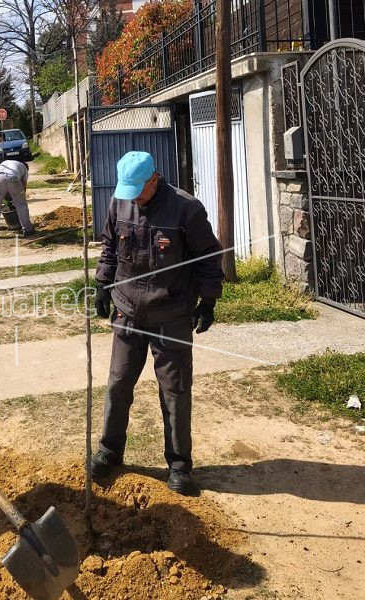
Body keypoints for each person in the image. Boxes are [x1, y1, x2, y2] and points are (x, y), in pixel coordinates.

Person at [92, 151, 224, 496]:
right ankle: (109, 452)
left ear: (154, 179)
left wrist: (208, 301)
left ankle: (179, 466)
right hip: (128, 311)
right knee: (118, 384)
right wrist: (102, 284)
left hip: (171, 314)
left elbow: (209, 257)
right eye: (129, 190)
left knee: (175, 391)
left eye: (139, 189)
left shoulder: (186, 209)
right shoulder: (119, 203)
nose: (134, 197)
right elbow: (109, 246)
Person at [0, 159, 35, 238]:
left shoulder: (6, 163)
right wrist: (18, 198)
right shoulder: (24, 169)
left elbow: (2, 182)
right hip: (13, 177)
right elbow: (23, 187)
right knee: (21, 204)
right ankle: (27, 229)